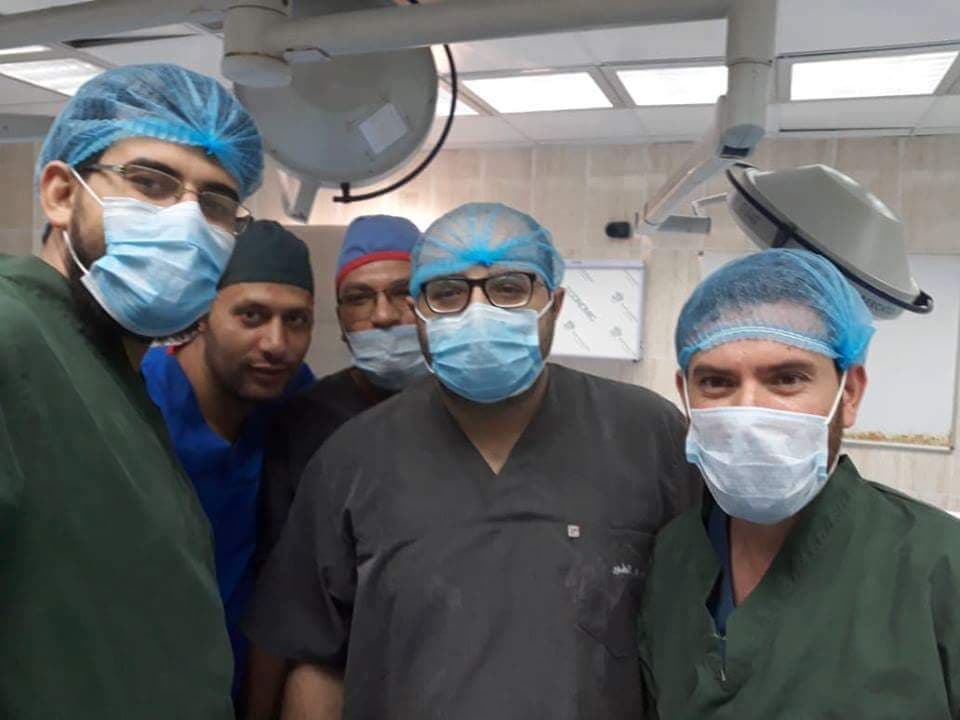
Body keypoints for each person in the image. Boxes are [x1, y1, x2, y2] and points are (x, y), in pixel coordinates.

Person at [245, 202, 701, 720]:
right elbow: (316, 662)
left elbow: (703, 628)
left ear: (555, 304)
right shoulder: (351, 458)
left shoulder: (647, 435)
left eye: (509, 288)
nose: (478, 312)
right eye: (447, 293)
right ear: (418, 311)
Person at [0, 64, 263, 719]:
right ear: (61, 193)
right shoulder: (13, 337)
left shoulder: (109, 372)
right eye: (150, 183)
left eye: (215, 203)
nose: (187, 221)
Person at [638, 248, 960, 718]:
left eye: (787, 378)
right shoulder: (673, 556)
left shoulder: (939, 565)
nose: (749, 411)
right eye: (717, 382)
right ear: (684, 394)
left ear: (849, 394)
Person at [245, 213, 426, 719]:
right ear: (341, 319)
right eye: (359, 298)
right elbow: (281, 592)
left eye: (403, 293)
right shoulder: (307, 420)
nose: (384, 316)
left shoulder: (470, 412)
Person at [141, 220, 316, 709]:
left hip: (239, 684)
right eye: (251, 316)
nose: (276, 343)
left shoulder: (293, 398)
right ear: (201, 313)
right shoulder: (136, 402)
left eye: (296, 320)